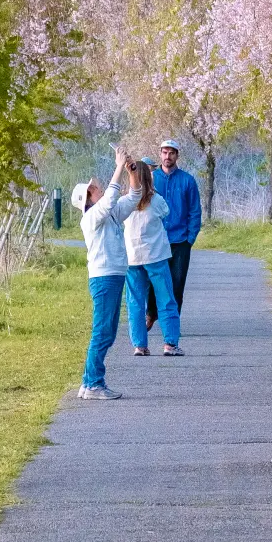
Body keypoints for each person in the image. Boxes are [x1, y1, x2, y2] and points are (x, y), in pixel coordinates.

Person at [71, 149, 142, 401]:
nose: (98, 187)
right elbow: (111, 197)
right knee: (102, 331)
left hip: (113, 275)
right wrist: (119, 166)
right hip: (103, 277)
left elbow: (134, 196)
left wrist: (131, 171)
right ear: (89, 199)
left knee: (108, 331)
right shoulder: (91, 217)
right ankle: (93, 384)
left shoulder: (108, 213)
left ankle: (89, 382)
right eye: (94, 188)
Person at [124, 161, 183, 357]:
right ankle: (170, 343)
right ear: (149, 178)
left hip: (132, 257)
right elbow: (166, 212)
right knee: (165, 298)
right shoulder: (156, 201)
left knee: (135, 301)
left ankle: (139, 345)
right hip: (156, 256)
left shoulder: (125, 201)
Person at [149, 139, 202, 327]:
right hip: (155, 239)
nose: (167, 156)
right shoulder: (152, 178)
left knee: (177, 284)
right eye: (164, 152)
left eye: (171, 153)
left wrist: (190, 238)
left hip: (180, 241)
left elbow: (195, 211)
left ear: (177, 155)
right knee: (153, 280)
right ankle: (151, 314)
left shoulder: (187, 180)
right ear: (160, 154)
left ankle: (172, 322)